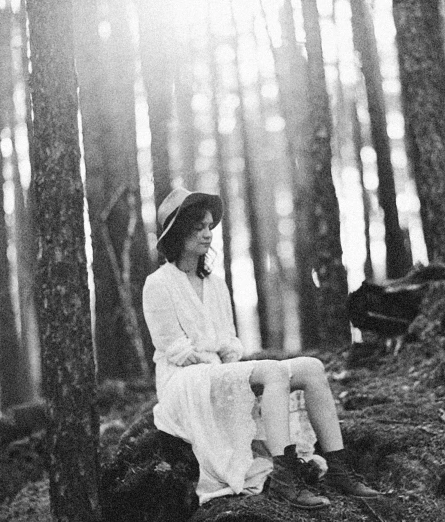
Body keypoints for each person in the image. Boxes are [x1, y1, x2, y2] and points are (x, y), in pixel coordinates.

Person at [143, 187, 380, 510]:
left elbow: (228, 340)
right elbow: (175, 350)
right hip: (182, 384)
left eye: (210, 226)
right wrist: (223, 365)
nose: (207, 234)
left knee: (312, 367)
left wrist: (229, 358)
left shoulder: (214, 283)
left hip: (215, 372)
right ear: (177, 232)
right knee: (270, 371)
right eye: (198, 227)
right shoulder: (158, 283)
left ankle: (339, 469)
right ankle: (285, 476)